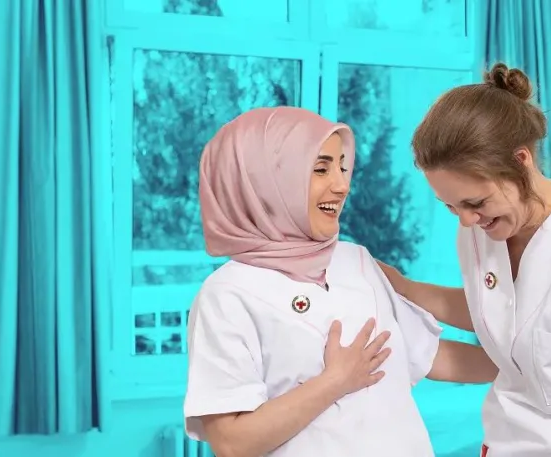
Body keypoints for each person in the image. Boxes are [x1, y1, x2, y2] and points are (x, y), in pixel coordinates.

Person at [376, 63, 551, 457]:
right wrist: (404, 288)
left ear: (521, 160)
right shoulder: (478, 231)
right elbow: (499, 310)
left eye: (476, 202)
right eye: (451, 206)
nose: (466, 220)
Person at [182, 106, 498, 457]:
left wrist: (526, 365)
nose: (341, 185)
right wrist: (334, 382)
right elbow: (231, 442)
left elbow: (428, 355)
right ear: (264, 181)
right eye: (321, 169)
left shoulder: (355, 261)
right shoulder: (226, 295)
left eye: (342, 168)